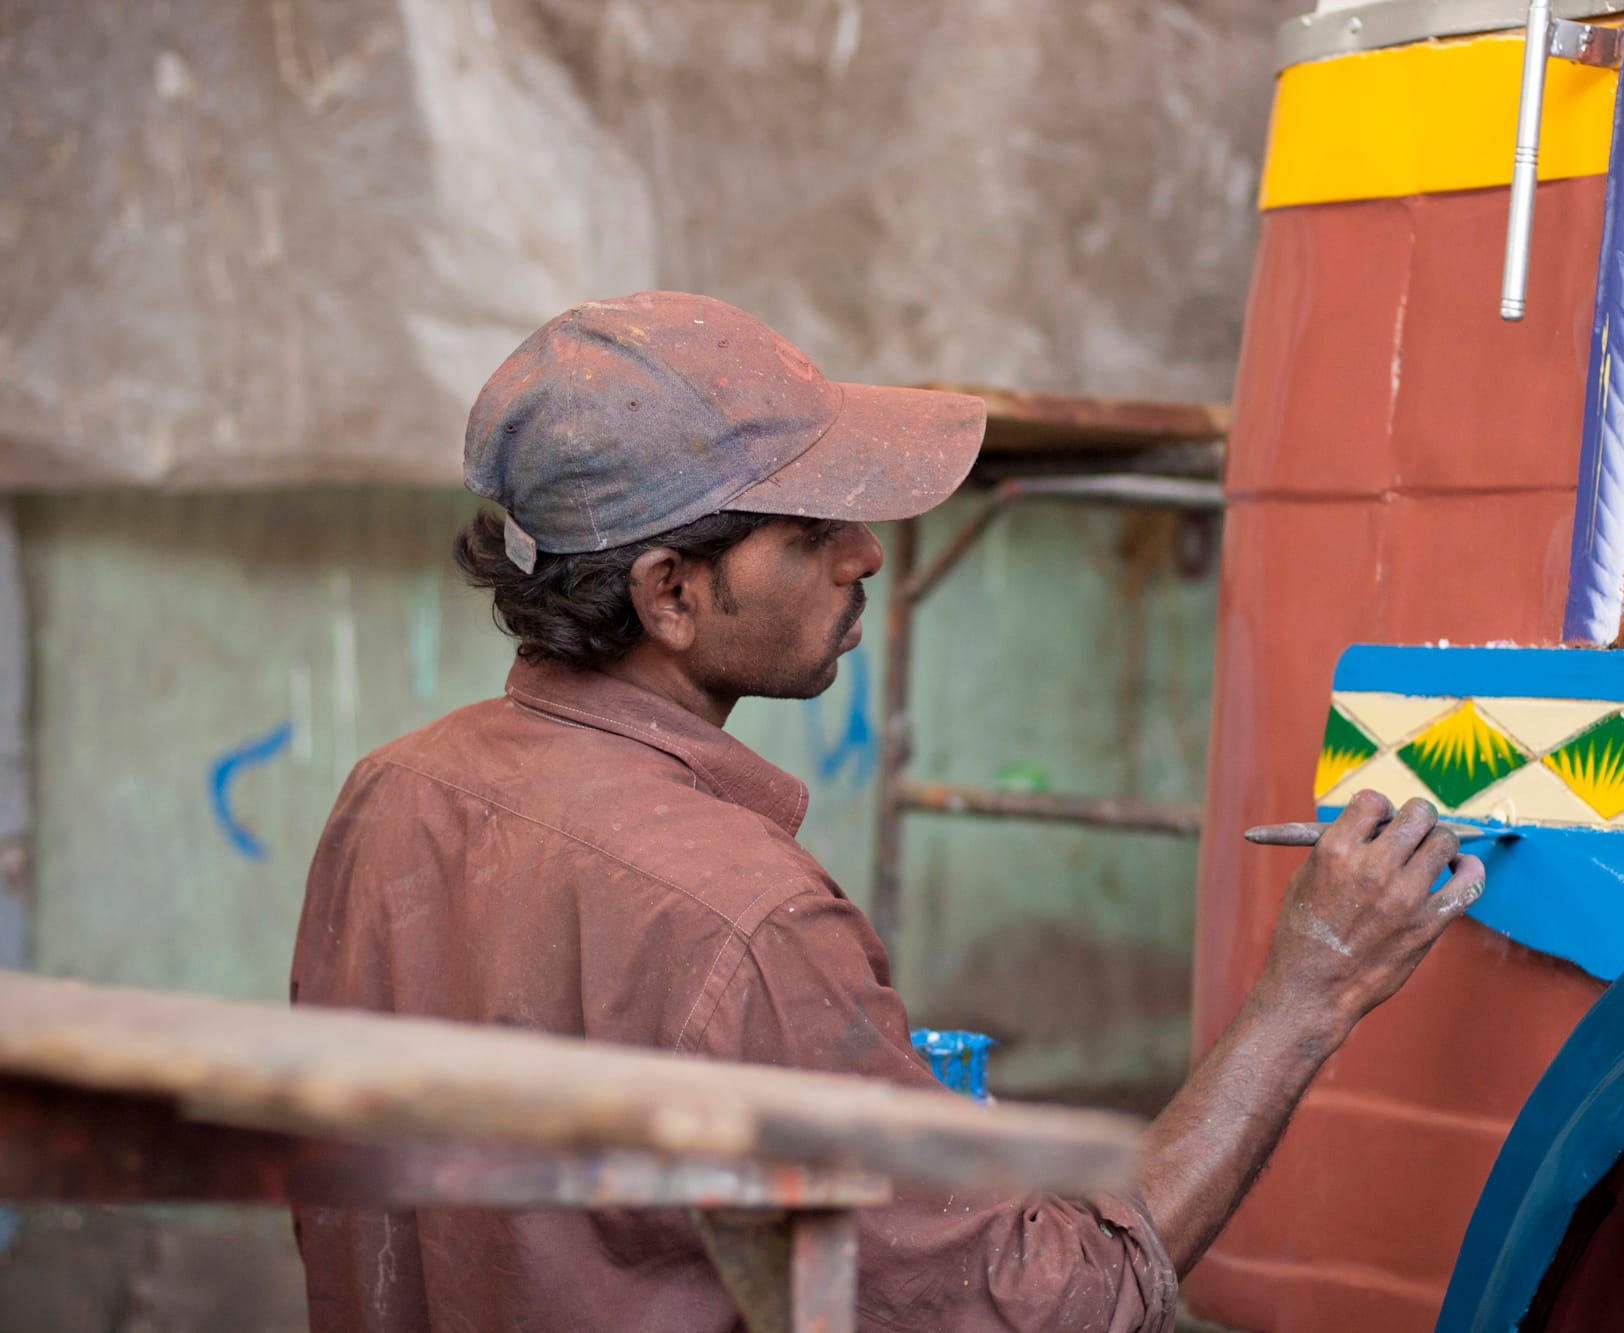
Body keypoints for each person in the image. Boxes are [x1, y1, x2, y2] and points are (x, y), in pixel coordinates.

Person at [291, 290, 1485, 1332]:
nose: (864, 553)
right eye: (812, 531)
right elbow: (1056, 1310)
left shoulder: (394, 792)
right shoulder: (746, 922)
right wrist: (1306, 991)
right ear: (669, 592)